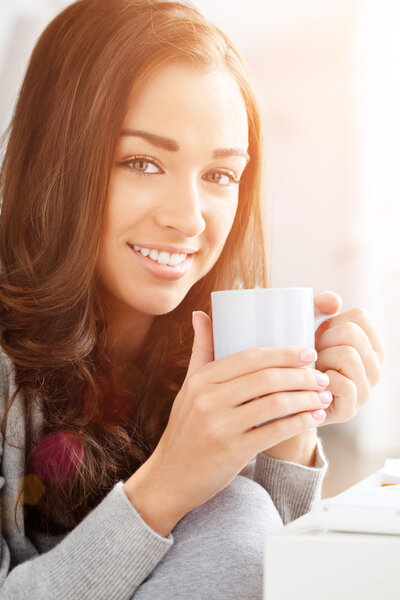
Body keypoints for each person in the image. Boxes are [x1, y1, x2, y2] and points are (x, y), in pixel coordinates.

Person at [0, 0, 384, 598]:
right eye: (142, 162)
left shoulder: (203, 349)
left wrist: (289, 433)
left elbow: (253, 576)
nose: (188, 219)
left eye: (220, 175)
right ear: (57, 158)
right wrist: (165, 487)